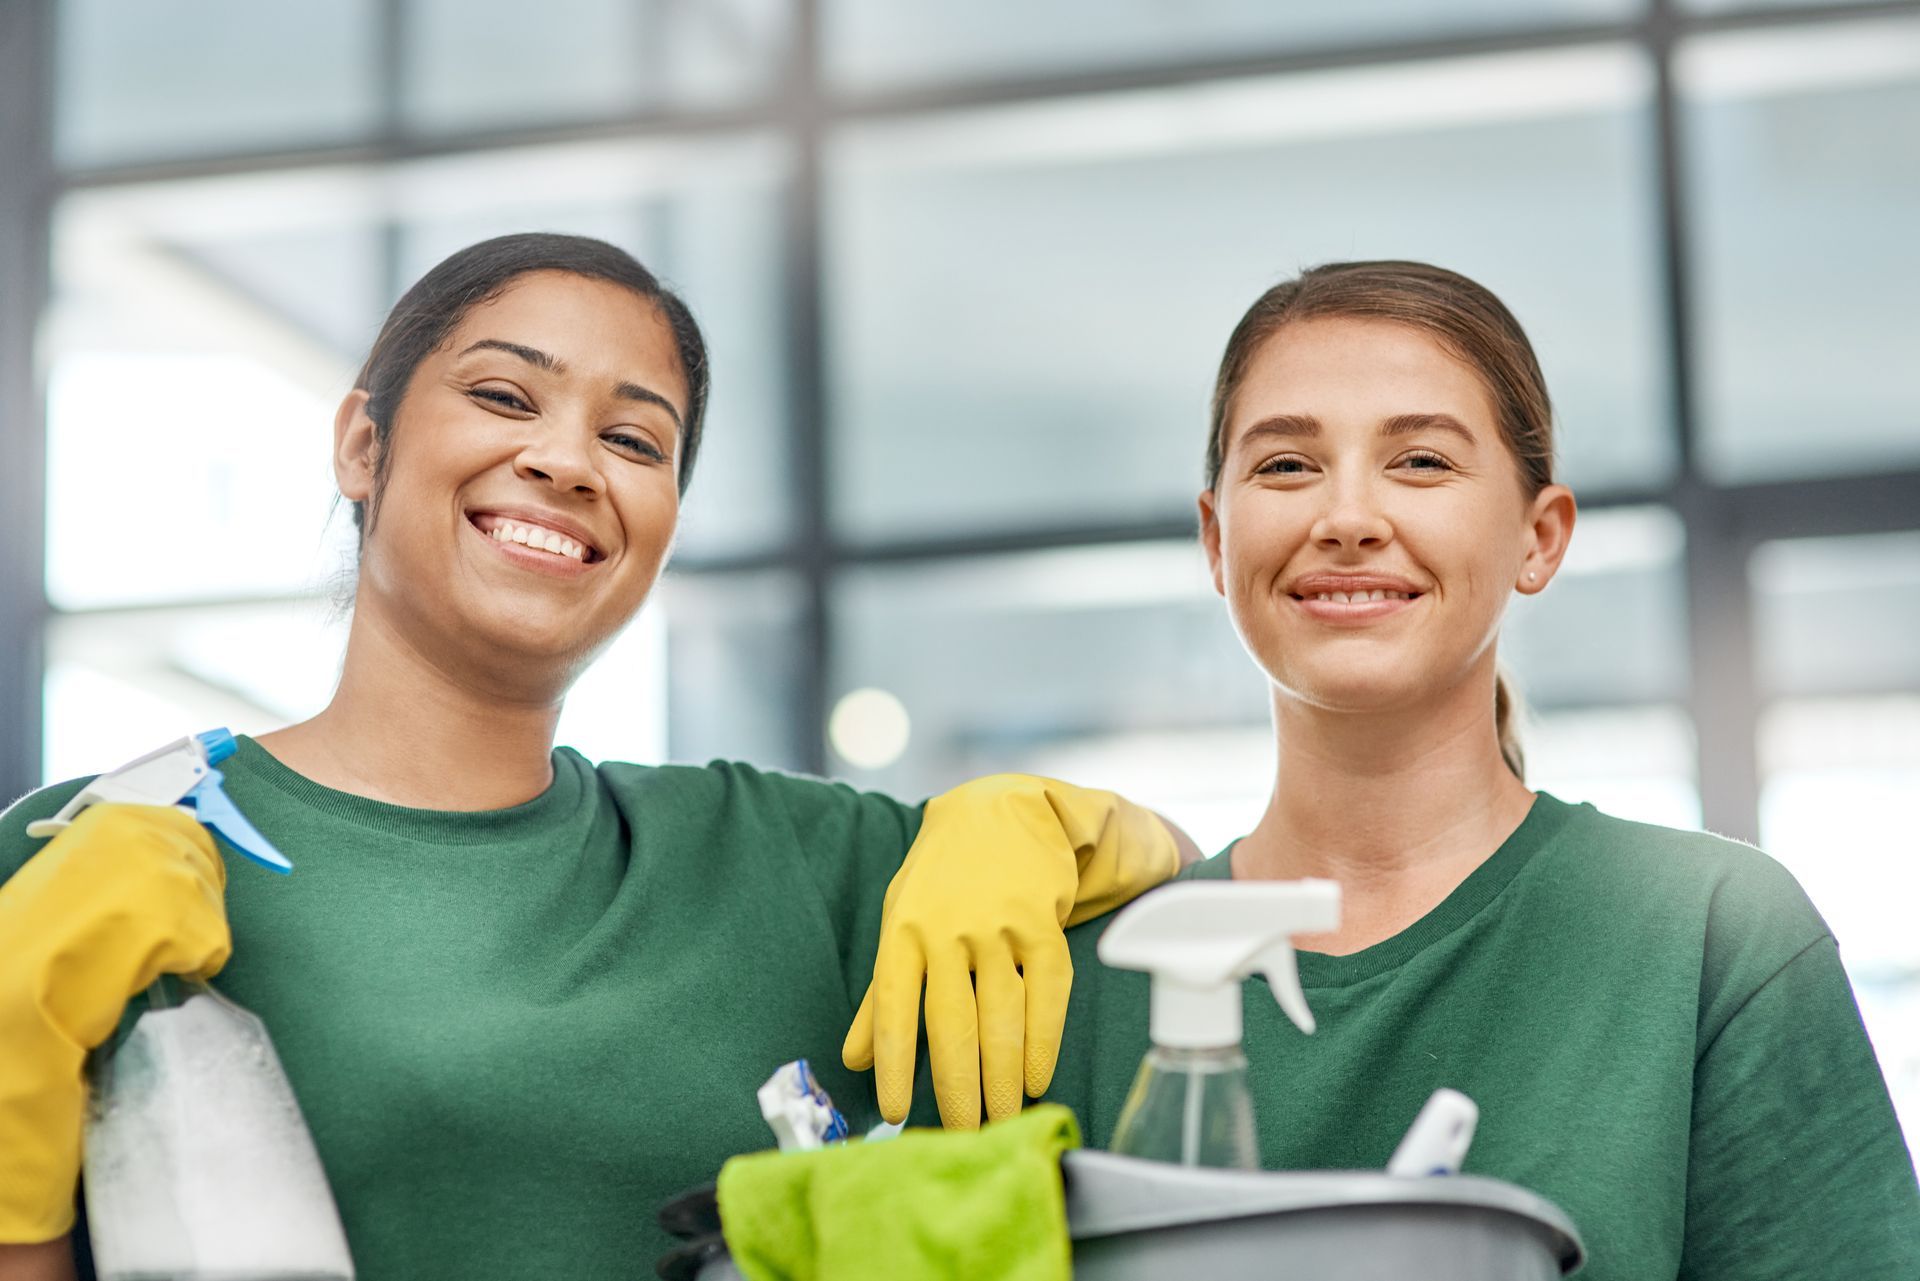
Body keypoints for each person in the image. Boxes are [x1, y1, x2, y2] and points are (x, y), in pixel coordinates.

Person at [0, 233, 1195, 1280]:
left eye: (632, 437)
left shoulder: (786, 862)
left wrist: (1043, 825)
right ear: (363, 447)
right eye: (508, 399)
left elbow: (1204, 918)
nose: (568, 463)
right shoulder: (89, 862)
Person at [1040, 261, 1920, 1279]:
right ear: (1214, 538)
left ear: (1538, 539)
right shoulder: (1089, 977)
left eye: (1419, 462)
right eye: (1286, 467)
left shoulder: (1705, 935)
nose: (1348, 517)